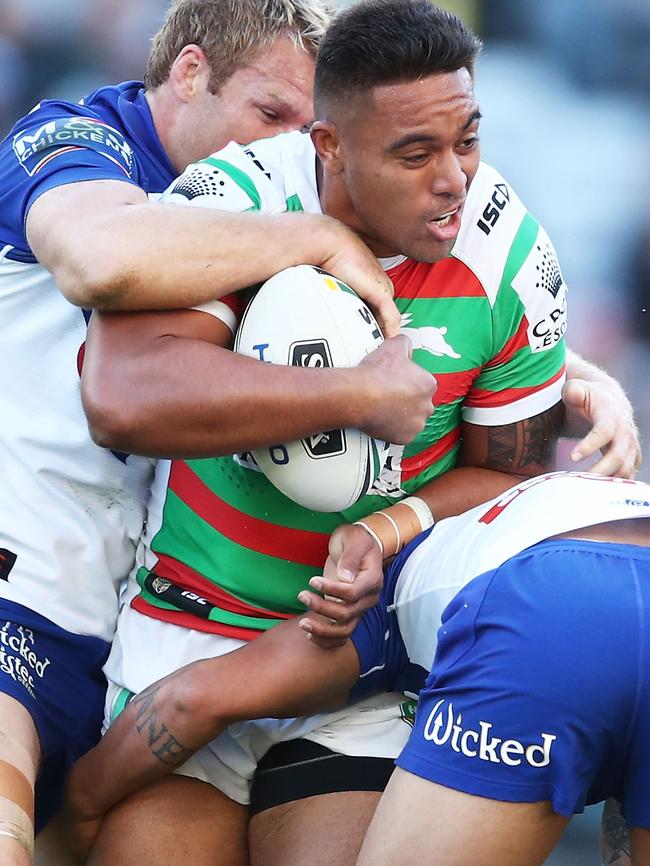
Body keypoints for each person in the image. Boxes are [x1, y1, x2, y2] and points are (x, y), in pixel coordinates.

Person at [77, 3, 639, 865]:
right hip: (188, 629)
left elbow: (506, 473)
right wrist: (350, 396)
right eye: (415, 153)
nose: (453, 178)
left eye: (468, 139)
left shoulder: (512, 253)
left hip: (359, 665)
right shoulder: (236, 199)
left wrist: (386, 528)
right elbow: (122, 394)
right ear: (330, 146)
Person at [0, 2, 444, 863]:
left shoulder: (277, 202)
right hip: (18, 582)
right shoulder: (82, 144)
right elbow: (99, 256)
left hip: (125, 646)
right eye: (270, 115)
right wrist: (311, 235)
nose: (284, 148)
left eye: (308, 130)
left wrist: (574, 383)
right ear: (192, 74)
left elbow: (443, 353)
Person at [65, 470, 650, 866]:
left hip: (549, 602)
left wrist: (79, 807)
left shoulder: (380, 604)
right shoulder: (528, 500)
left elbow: (192, 700)